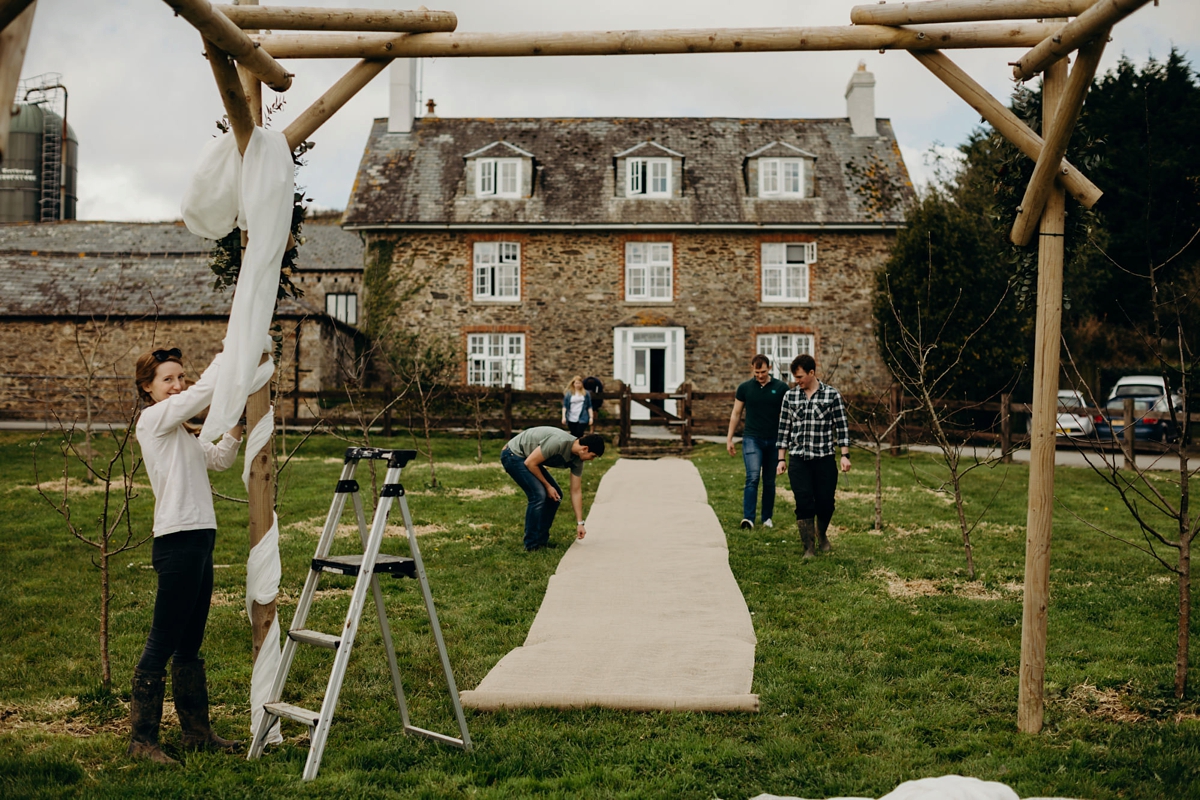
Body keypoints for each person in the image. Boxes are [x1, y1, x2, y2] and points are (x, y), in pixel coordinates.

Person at [128, 347, 244, 764]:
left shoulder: (183, 432)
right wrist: (232, 353)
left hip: (200, 539)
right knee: (163, 640)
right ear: (148, 387)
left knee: (190, 642)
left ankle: (196, 733)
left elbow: (220, 459)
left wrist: (235, 423)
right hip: (176, 541)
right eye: (168, 379)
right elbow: (201, 394)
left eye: (182, 377)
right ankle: (142, 741)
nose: (178, 385)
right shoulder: (154, 420)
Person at [774, 354, 852, 558]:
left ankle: (822, 533)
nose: (796, 381)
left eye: (800, 377)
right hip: (799, 459)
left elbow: (842, 428)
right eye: (794, 377)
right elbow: (783, 430)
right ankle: (808, 547)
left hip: (824, 459)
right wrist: (781, 459)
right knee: (804, 502)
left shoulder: (831, 395)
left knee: (826, 502)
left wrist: (845, 455)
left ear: (811, 373)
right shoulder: (790, 397)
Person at [501, 426, 605, 552]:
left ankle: (541, 541)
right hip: (513, 454)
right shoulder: (559, 442)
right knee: (538, 495)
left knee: (556, 497)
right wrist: (548, 486)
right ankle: (531, 545)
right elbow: (530, 463)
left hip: (530, 459)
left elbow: (576, 491)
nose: (592, 460)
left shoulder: (577, 461)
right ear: (585, 449)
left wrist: (580, 523)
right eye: (592, 456)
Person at [726, 354, 791, 530]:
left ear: (769, 368)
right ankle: (748, 518)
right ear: (752, 369)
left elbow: (787, 416)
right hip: (751, 438)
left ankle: (767, 517)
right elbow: (736, 413)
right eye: (757, 372)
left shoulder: (781, 388)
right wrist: (729, 438)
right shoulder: (745, 388)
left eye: (763, 372)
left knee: (769, 480)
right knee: (753, 477)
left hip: (773, 439)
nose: (760, 375)